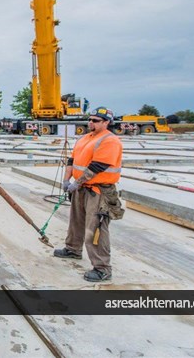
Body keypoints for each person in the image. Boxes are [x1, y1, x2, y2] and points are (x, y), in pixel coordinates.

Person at [53, 106, 124, 282]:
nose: (91, 122)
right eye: (90, 119)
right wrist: (66, 180)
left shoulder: (110, 140)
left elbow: (97, 167)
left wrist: (76, 183)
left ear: (106, 122)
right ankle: (73, 249)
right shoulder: (84, 138)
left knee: (95, 229)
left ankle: (102, 268)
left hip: (98, 190)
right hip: (81, 188)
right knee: (76, 221)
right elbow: (72, 160)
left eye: (96, 120)